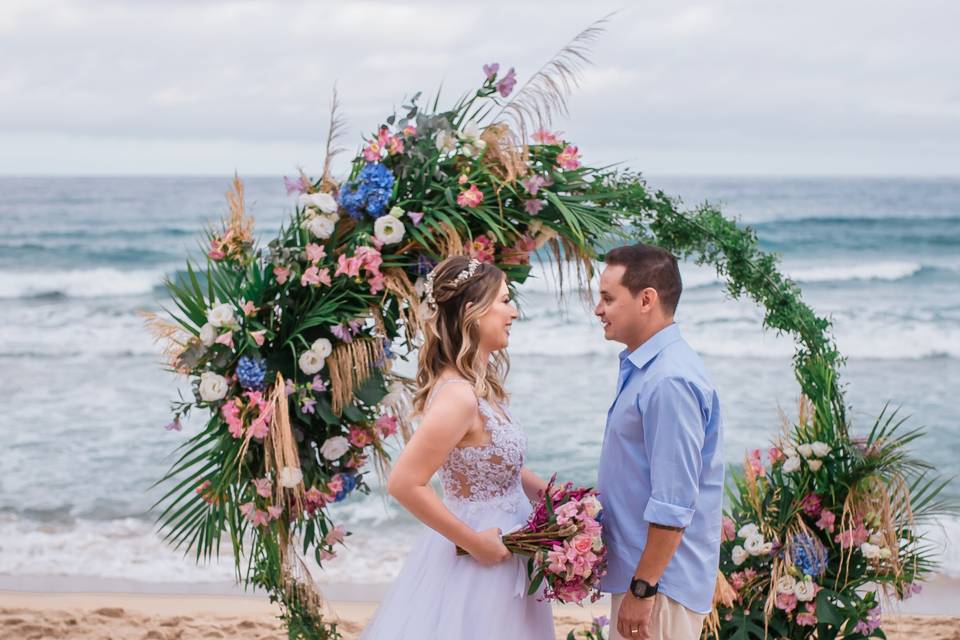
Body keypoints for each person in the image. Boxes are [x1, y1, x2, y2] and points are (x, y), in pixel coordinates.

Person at [360, 255, 554, 639]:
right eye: (503, 300)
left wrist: (554, 499)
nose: (512, 312)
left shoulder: (482, 388)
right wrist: (475, 543)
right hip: (479, 557)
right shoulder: (459, 396)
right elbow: (404, 483)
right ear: (473, 312)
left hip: (509, 550)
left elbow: (502, 467)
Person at [594, 243, 724, 640]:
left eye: (607, 298)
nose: (598, 309)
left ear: (646, 299)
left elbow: (674, 501)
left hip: (658, 586)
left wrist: (643, 588)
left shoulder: (669, 381)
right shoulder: (646, 369)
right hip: (645, 576)